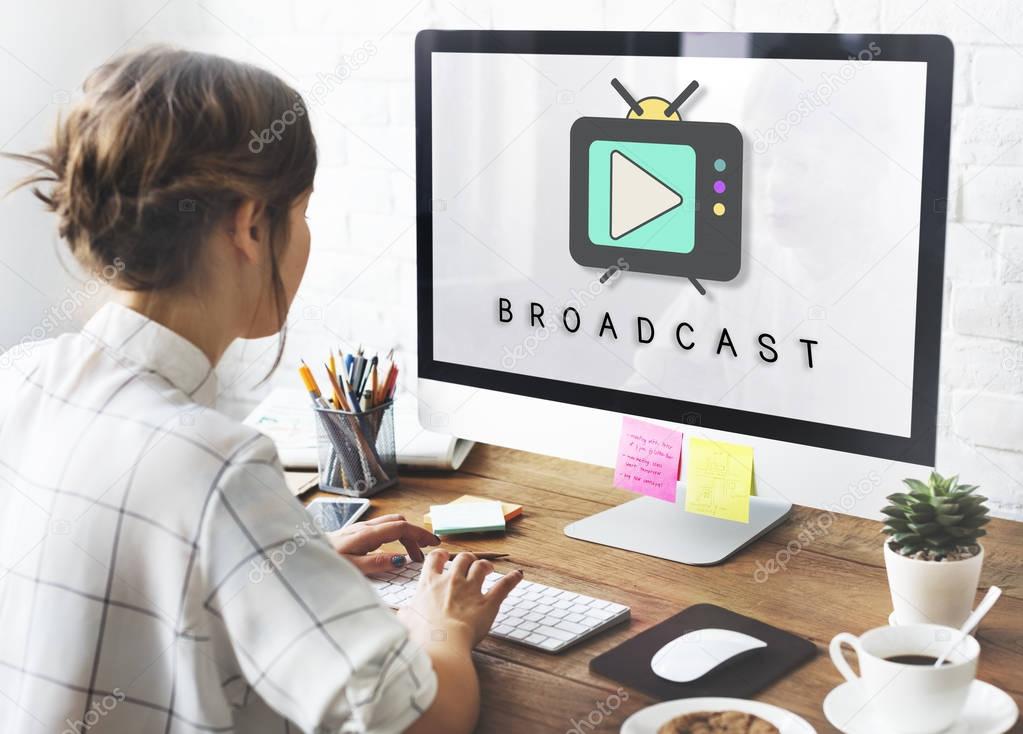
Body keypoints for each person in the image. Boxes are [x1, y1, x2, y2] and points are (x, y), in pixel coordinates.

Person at [0, 46, 521, 734]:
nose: (302, 238)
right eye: (300, 212)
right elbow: (418, 720)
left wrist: (276, 567)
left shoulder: (19, 376)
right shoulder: (215, 464)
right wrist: (440, 624)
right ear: (249, 225)